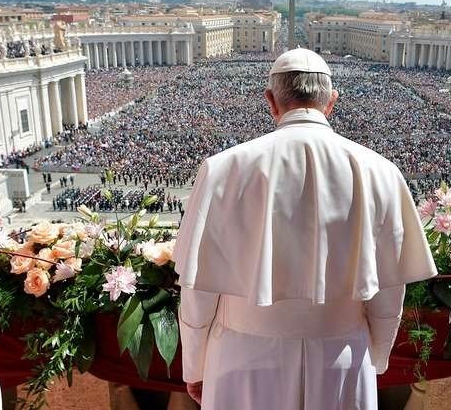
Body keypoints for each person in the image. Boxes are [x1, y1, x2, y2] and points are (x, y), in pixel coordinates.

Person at [173, 48, 437, 409]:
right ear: (332, 102)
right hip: (340, 354)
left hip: (242, 355)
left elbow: (198, 291)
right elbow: (389, 292)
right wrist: (376, 356)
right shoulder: (382, 172)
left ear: (271, 101)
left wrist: (195, 365)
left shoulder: (222, 169)